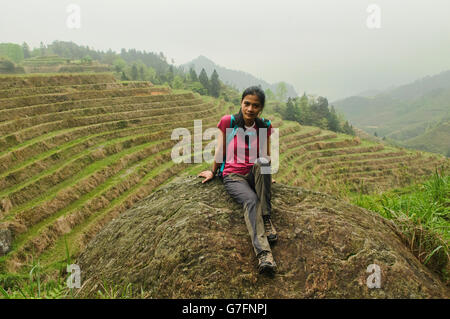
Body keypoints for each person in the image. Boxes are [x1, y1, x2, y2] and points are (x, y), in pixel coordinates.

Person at [198, 86, 278, 274]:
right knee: (251, 200)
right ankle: (264, 255)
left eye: (255, 106)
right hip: (233, 176)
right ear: (241, 103)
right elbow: (220, 150)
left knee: (264, 162)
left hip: (253, 172)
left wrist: (266, 178)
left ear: (261, 108)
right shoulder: (229, 122)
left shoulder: (264, 125)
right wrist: (212, 171)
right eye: (247, 104)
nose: (250, 109)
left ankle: (266, 218)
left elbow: (266, 154)